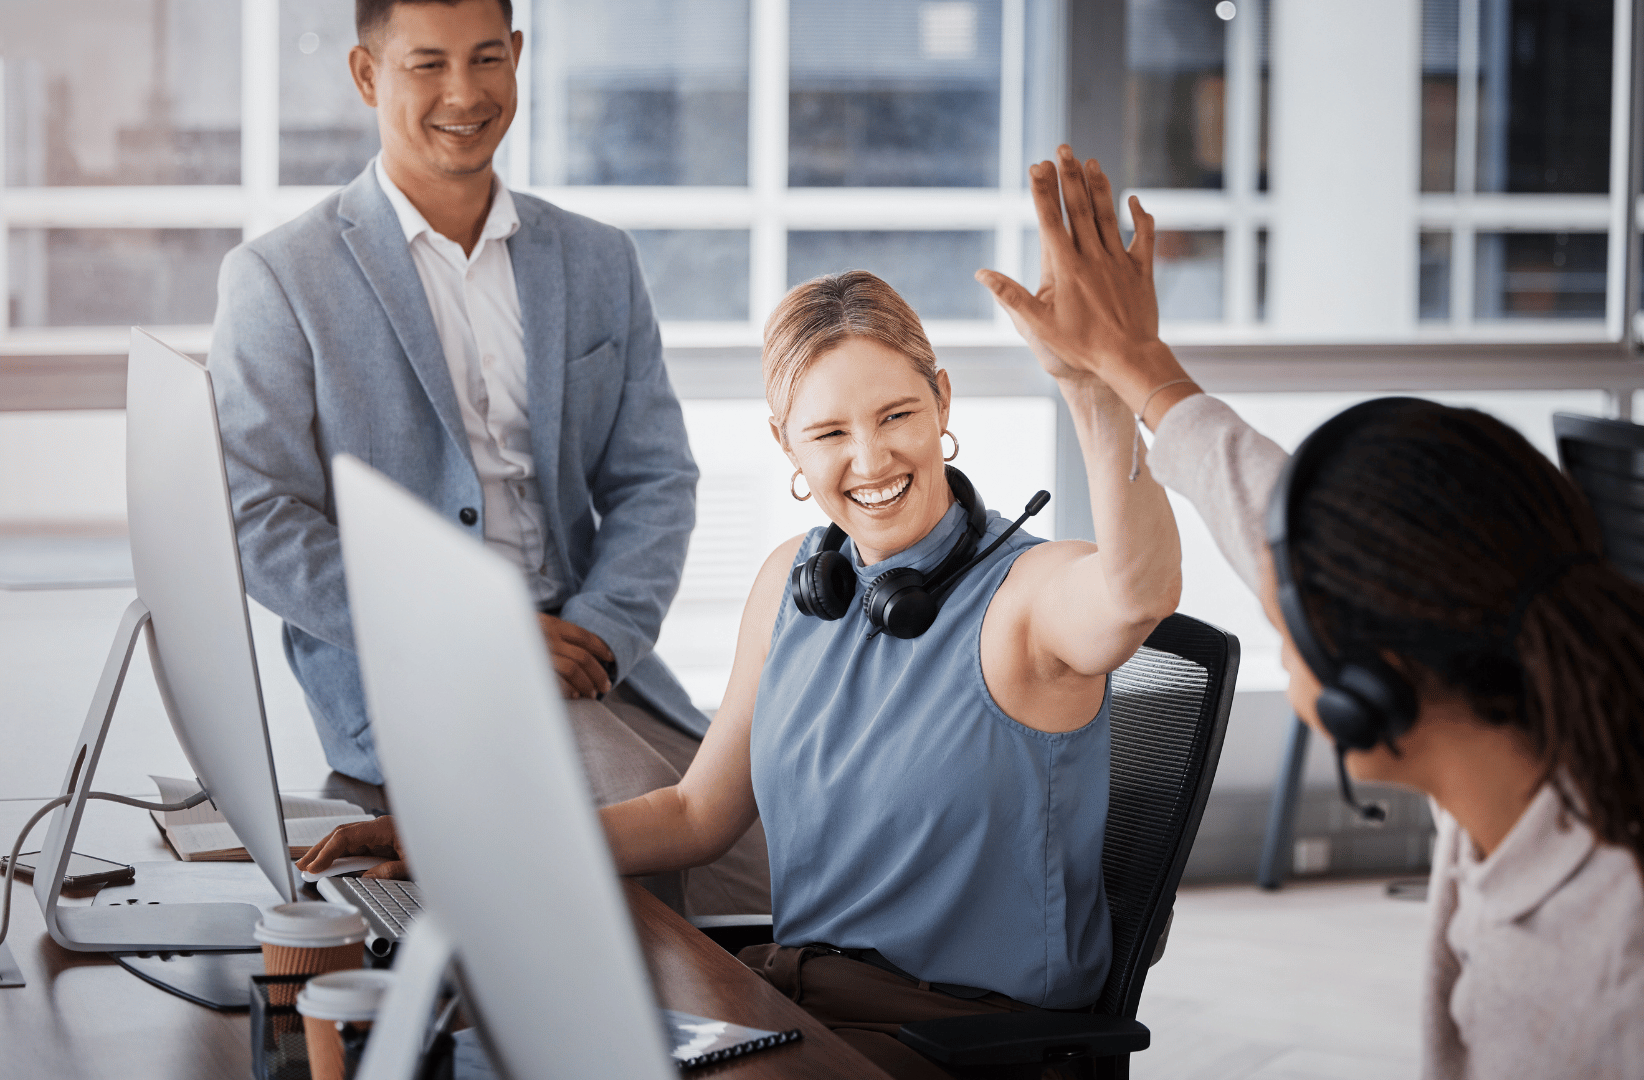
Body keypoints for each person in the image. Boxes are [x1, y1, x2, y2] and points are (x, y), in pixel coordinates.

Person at [973, 146, 1644, 1078]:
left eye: (1289, 609)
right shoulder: (1519, 767)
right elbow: (1264, 507)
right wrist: (1136, 366)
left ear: (1371, 681)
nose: (1275, 602)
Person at [304, 253, 1184, 1074]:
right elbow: (695, 813)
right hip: (781, 997)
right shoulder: (797, 581)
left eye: (898, 416)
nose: (871, 459)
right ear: (786, 446)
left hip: (954, 1041)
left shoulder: (1028, 594)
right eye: (829, 431)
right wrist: (463, 847)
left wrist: (1095, 387)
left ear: (943, 403)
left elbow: (1136, 592)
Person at [211, 0, 767, 915]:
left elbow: (655, 481)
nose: (463, 93)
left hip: (595, 661)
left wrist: (598, 636)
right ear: (367, 76)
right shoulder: (279, 278)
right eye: (426, 64)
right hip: (413, 679)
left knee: (779, 871)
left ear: (516, 56)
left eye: (485, 59)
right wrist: (486, 639)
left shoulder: (598, 261)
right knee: (648, 848)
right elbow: (256, 517)